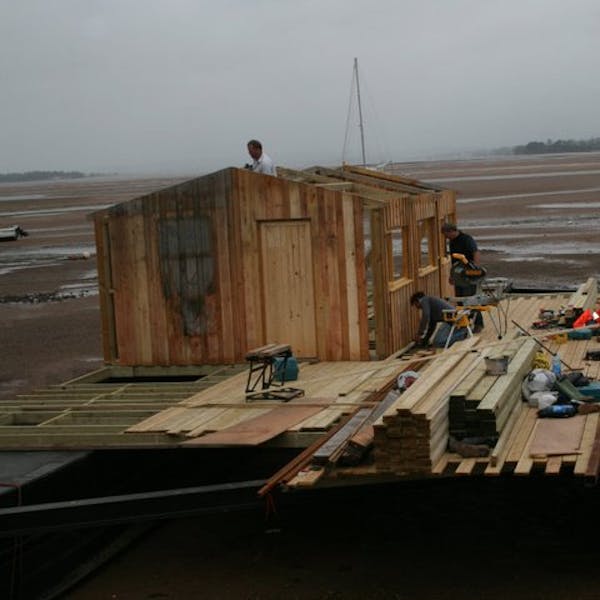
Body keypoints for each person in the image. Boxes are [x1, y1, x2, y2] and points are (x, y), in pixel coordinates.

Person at [441, 222, 484, 332]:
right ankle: (466, 325)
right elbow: (454, 261)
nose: (446, 238)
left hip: (468, 274)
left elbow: (476, 253)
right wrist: (452, 276)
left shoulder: (466, 239)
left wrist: (475, 270)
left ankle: (478, 324)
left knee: (470, 300)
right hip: (458, 275)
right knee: (460, 301)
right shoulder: (452, 242)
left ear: (452, 231)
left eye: (446, 235)